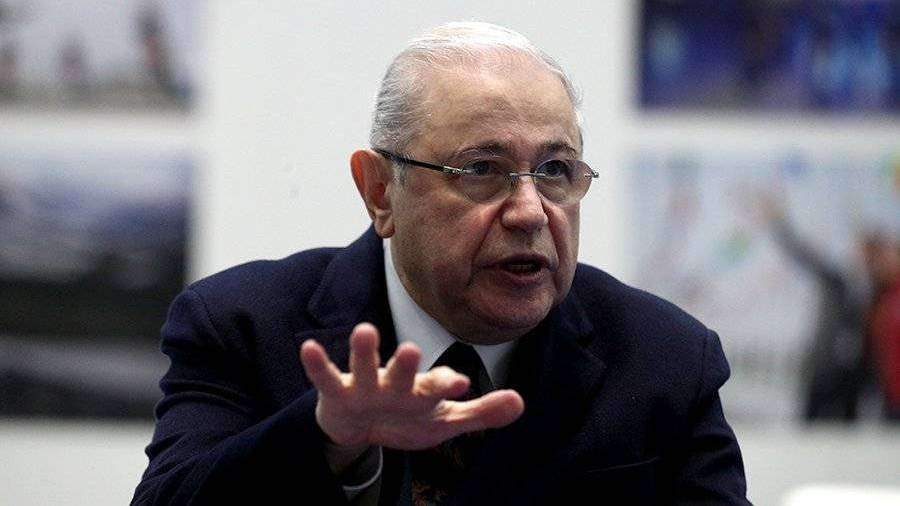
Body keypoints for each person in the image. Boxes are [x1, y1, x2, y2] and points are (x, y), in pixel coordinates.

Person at [132, 22, 749, 505]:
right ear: (380, 191)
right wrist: (327, 438)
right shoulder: (241, 324)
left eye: (555, 170)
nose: (530, 212)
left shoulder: (665, 358)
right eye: (481, 169)